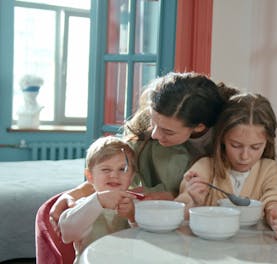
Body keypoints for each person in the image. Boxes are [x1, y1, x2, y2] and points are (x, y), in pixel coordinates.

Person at [50, 72, 239, 231]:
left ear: (199, 127)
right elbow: (114, 171)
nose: (155, 134)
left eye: (168, 131)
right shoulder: (146, 129)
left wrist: (174, 197)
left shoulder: (231, 142)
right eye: (153, 122)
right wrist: (75, 193)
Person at [175, 93, 277, 240]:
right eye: (236, 145)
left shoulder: (270, 169)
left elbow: (275, 197)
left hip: (252, 254)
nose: (245, 156)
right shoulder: (204, 168)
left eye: (255, 147)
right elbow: (178, 218)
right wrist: (194, 202)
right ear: (222, 138)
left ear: (267, 142)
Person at [58, 136, 137, 262]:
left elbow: (146, 241)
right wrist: (98, 201)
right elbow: (67, 234)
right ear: (90, 176)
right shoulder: (83, 204)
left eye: (122, 169)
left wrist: (133, 217)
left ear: (132, 176)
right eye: (106, 169)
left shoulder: (134, 204)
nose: (114, 175)